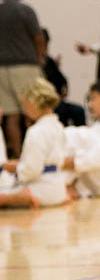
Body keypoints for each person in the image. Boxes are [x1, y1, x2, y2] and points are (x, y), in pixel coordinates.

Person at [0, 77, 67, 208]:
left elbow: (32, 170)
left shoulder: (36, 131)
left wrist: (15, 167)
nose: (25, 111)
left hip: (40, 189)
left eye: (25, 106)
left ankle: (27, 199)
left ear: (34, 104)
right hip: (58, 187)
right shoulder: (58, 127)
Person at [0, 0, 45, 158]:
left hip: (1, 69)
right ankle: (36, 156)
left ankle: (17, 158)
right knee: (34, 111)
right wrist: (40, 59)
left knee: (10, 115)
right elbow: (39, 38)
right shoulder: (24, 10)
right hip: (25, 66)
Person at [40, 29, 86, 127]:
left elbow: (62, 80)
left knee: (78, 111)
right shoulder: (31, 64)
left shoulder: (50, 61)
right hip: (44, 104)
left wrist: (64, 88)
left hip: (58, 101)